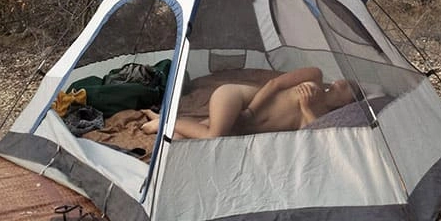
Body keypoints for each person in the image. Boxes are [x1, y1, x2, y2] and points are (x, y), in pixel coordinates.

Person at [141, 66, 355, 139]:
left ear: (349, 104)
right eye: (344, 80)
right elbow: (274, 84)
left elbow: (311, 137)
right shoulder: (315, 76)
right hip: (239, 100)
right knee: (213, 135)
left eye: (349, 87)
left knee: (182, 139)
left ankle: (162, 119)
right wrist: (251, 111)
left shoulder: (321, 119)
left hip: (242, 125)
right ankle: (164, 123)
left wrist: (306, 107)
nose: (341, 81)